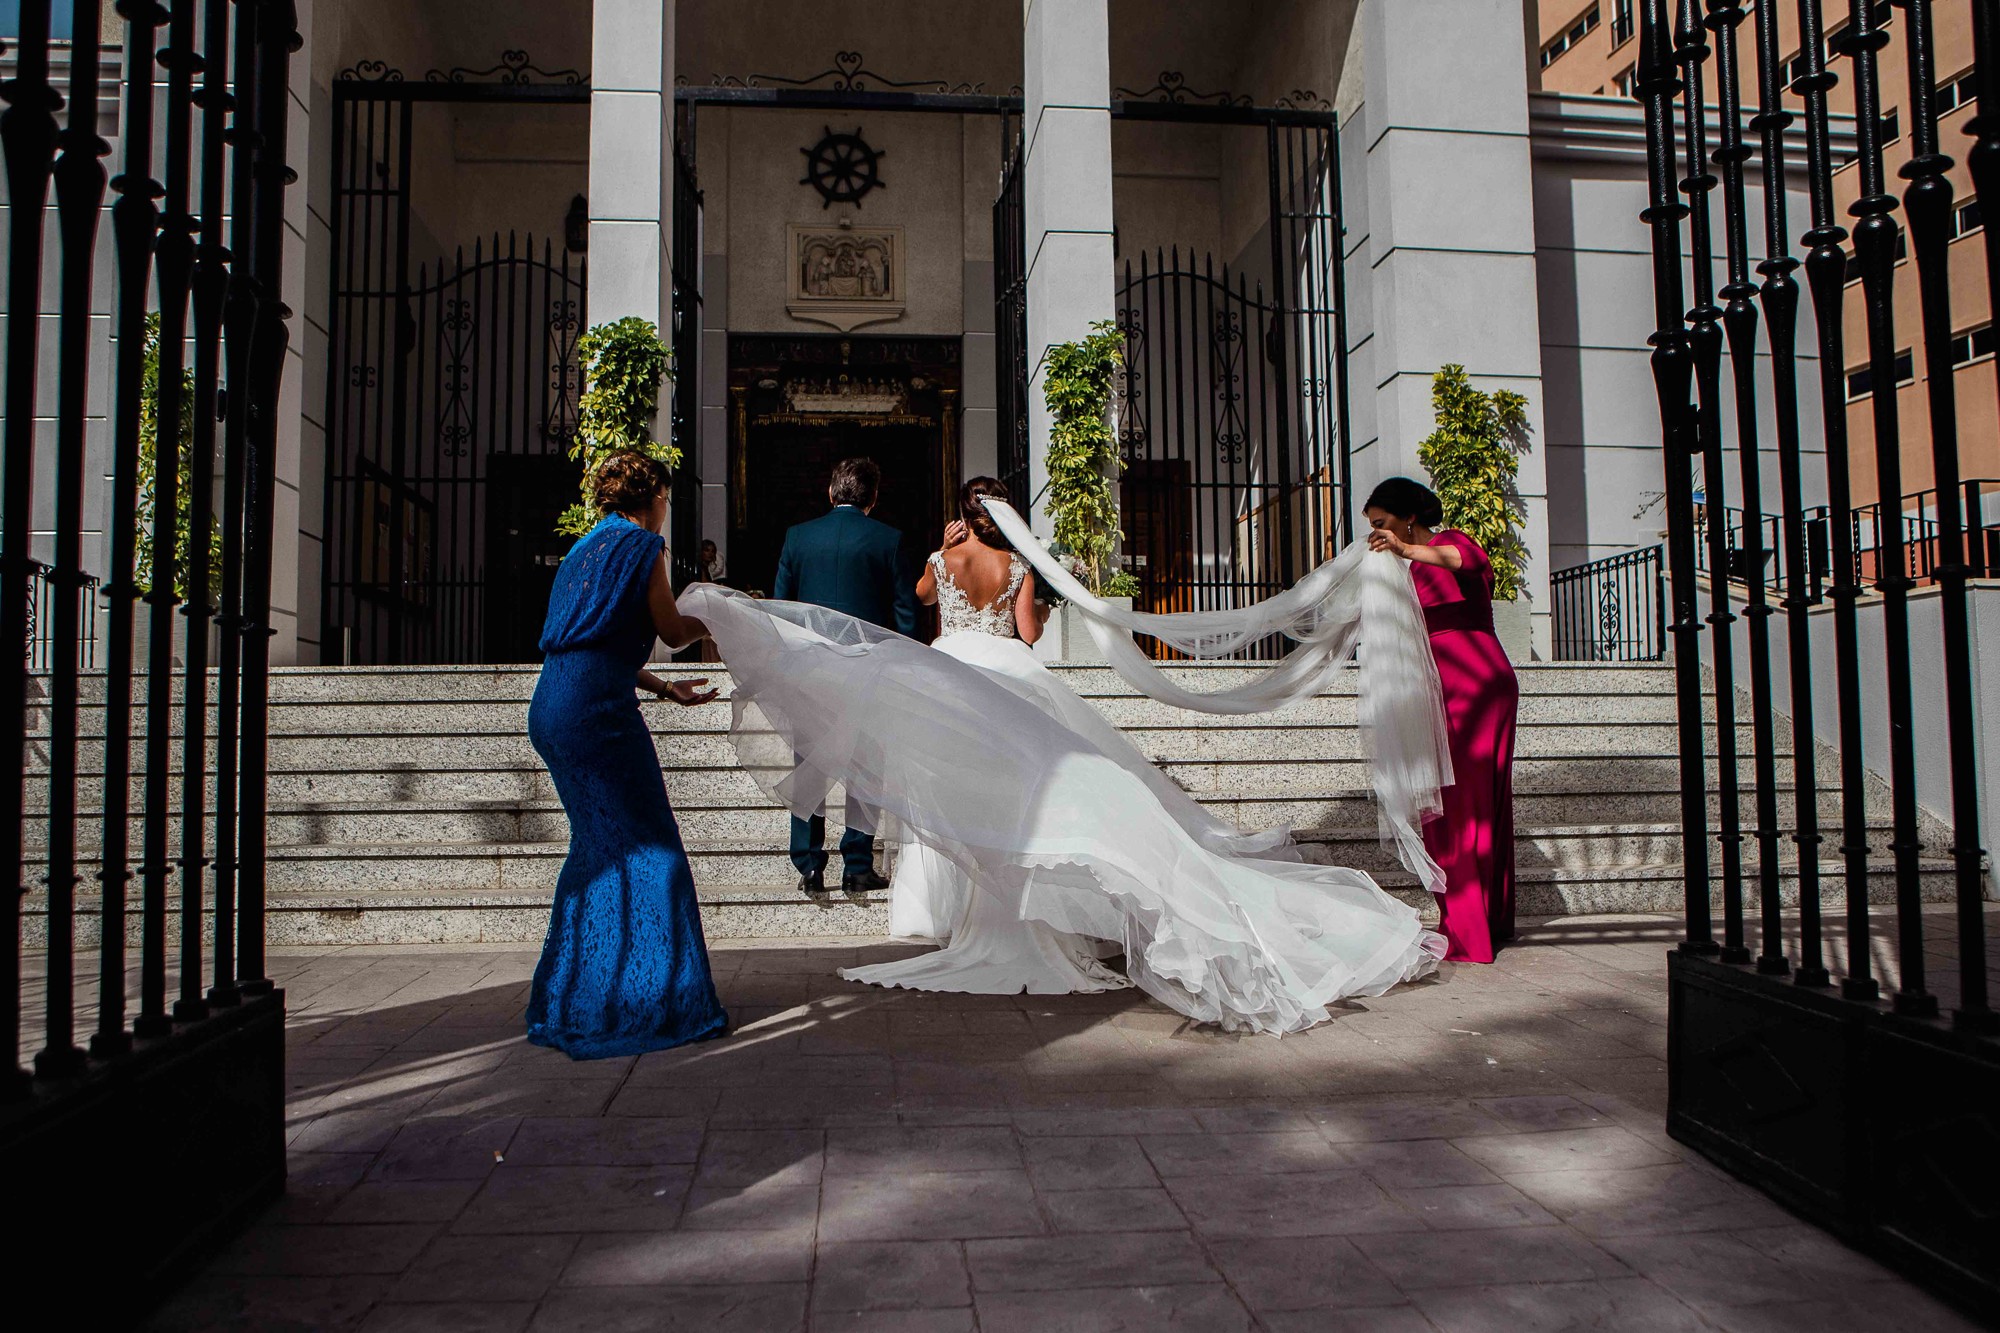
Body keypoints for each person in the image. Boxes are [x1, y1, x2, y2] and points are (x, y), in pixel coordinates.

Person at [680, 480, 1446, 1033]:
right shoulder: (1016, 567)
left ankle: (951, 915)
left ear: (963, 517)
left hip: (952, 672)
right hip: (1010, 675)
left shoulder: (941, 556)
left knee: (958, 794)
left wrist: (942, 554)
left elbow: (921, 600)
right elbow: (1029, 634)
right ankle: (1036, 914)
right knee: (1027, 797)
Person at [525, 451, 726, 1058]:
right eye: (667, 498)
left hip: (554, 707)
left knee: (597, 849)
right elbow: (672, 630)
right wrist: (720, 615)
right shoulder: (643, 547)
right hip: (597, 715)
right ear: (654, 498)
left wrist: (665, 689)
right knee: (653, 848)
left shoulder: (583, 550)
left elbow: (594, 643)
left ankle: (575, 997)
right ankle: (655, 999)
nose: (667, 510)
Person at [1364, 475, 1519, 963]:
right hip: (1446, 683)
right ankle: (1487, 919)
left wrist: (1406, 550)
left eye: (1382, 523)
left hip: (1472, 683)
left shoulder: (1449, 543)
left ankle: (1470, 933)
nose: (1377, 533)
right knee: (1470, 802)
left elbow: (1465, 561)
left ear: (1409, 517)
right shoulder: (1404, 568)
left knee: (1460, 804)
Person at [771, 455, 920, 902]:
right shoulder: (889, 540)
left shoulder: (798, 537)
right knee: (867, 766)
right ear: (872, 497)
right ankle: (857, 865)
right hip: (867, 669)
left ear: (830, 492)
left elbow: (782, 609)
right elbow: (905, 615)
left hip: (810, 670)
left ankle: (810, 866)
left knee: (809, 764)